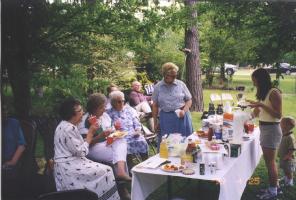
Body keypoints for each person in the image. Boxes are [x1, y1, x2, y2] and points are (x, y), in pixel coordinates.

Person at [53, 98, 120, 200]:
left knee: (106, 169)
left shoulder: (63, 125)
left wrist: (94, 135)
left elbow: (75, 145)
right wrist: (90, 133)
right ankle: (104, 197)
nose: (83, 112)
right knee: (107, 170)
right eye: (79, 111)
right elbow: (81, 152)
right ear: (71, 114)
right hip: (69, 168)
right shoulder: (69, 128)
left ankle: (101, 195)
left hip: (66, 165)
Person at [77, 93, 131, 181]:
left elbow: (110, 129)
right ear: (94, 108)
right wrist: (100, 136)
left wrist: (115, 130)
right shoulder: (84, 121)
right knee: (118, 156)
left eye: (105, 106)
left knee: (121, 141)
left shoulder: (105, 116)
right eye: (102, 107)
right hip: (93, 148)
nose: (105, 109)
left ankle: (121, 174)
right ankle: (122, 187)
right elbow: (84, 145)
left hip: (106, 143)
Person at [248, 68, 282, 200]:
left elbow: (278, 115)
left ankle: (273, 192)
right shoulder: (264, 92)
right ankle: (275, 186)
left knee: (270, 163)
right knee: (269, 162)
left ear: (261, 79)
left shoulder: (274, 92)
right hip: (265, 129)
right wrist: (245, 116)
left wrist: (261, 105)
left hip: (272, 130)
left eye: (255, 81)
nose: (254, 83)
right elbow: (257, 111)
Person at [152, 62, 193, 147]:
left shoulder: (181, 84)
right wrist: (155, 123)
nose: (175, 78)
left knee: (184, 143)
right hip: (166, 119)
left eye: (175, 75)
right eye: (172, 76)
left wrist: (184, 111)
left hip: (181, 117)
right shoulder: (158, 87)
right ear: (165, 75)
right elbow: (155, 105)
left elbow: (189, 100)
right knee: (168, 144)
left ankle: (185, 159)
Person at [107, 91, 149, 168]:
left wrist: (138, 130)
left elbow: (136, 122)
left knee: (142, 141)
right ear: (113, 103)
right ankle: (130, 168)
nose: (122, 103)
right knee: (124, 145)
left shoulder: (129, 110)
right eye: (119, 101)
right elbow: (108, 128)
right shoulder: (109, 113)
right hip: (119, 136)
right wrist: (115, 130)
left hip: (133, 134)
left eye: (123, 101)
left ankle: (146, 165)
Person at [2, 104, 26, 180]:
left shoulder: (14, 123)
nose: (4, 112)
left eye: (5, 110)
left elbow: (21, 145)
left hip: (9, 163)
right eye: (2, 110)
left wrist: (12, 162)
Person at [278, 116, 296, 187]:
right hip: (283, 156)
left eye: (281, 123)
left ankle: (290, 181)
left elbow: (292, 148)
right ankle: (286, 177)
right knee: (285, 169)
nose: (280, 124)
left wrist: (288, 156)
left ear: (287, 126)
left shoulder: (290, 137)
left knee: (289, 170)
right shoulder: (284, 134)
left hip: (288, 159)